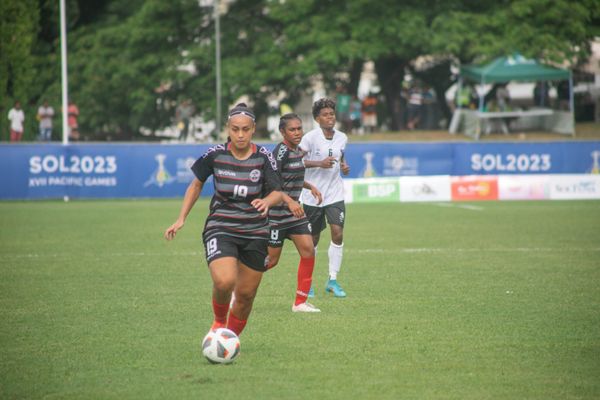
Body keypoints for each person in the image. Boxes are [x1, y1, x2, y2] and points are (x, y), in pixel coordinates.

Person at [164, 103, 283, 336]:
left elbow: (278, 192)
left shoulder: (263, 157)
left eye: (246, 129)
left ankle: (230, 339)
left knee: (246, 295)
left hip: (255, 231)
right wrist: (181, 219)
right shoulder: (215, 154)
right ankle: (219, 323)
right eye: (235, 129)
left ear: (253, 129)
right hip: (221, 227)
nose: (240, 134)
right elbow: (196, 184)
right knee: (225, 282)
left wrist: (267, 202)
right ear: (228, 128)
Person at [267, 113, 323, 312]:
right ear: (283, 132)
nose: (298, 132)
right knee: (271, 261)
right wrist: (289, 201)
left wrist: (310, 187)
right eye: (293, 129)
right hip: (276, 216)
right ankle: (237, 286)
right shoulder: (280, 153)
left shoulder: (298, 151)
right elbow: (272, 182)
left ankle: (300, 303)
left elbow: (293, 176)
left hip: (295, 215)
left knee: (308, 250)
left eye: (299, 128)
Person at [299, 98, 350, 298]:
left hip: (335, 193)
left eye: (332, 114)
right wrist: (319, 163)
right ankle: (307, 282)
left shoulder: (342, 137)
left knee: (337, 233)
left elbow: (341, 159)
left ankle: (333, 279)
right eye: (325, 115)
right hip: (313, 195)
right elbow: (297, 161)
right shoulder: (309, 138)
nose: (330, 118)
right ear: (317, 119)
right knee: (312, 240)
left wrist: (344, 166)